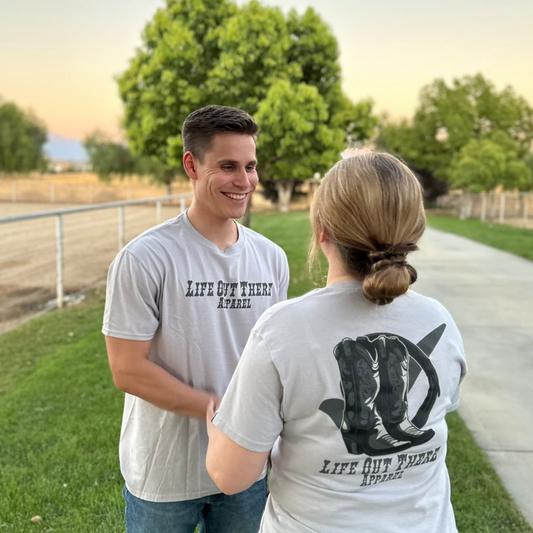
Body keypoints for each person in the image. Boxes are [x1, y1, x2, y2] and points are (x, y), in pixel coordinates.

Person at [206, 151, 467, 533]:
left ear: (322, 231)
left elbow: (231, 477)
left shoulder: (282, 331)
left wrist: (218, 430)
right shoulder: (440, 321)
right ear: (414, 230)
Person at [102, 105, 290, 533]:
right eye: (227, 167)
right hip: (164, 472)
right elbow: (127, 369)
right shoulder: (144, 258)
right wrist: (221, 410)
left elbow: (274, 357)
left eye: (250, 166)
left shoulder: (271, 259)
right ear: (192, 164)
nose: (244, 181)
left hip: (245, 468)